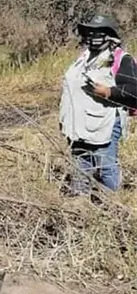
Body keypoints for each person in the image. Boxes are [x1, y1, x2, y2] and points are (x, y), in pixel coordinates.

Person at [60, 13, 137, 196]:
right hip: (77, 125)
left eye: (99, 32)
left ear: (110, 35)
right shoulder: (83, 58)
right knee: (80, 165)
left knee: (106, 166)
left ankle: (114, 205)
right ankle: (81, 206)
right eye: (90, 32)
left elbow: (134, 90)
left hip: (105, 124)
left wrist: (109, 92)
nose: (93, 37)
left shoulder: (121, 59)